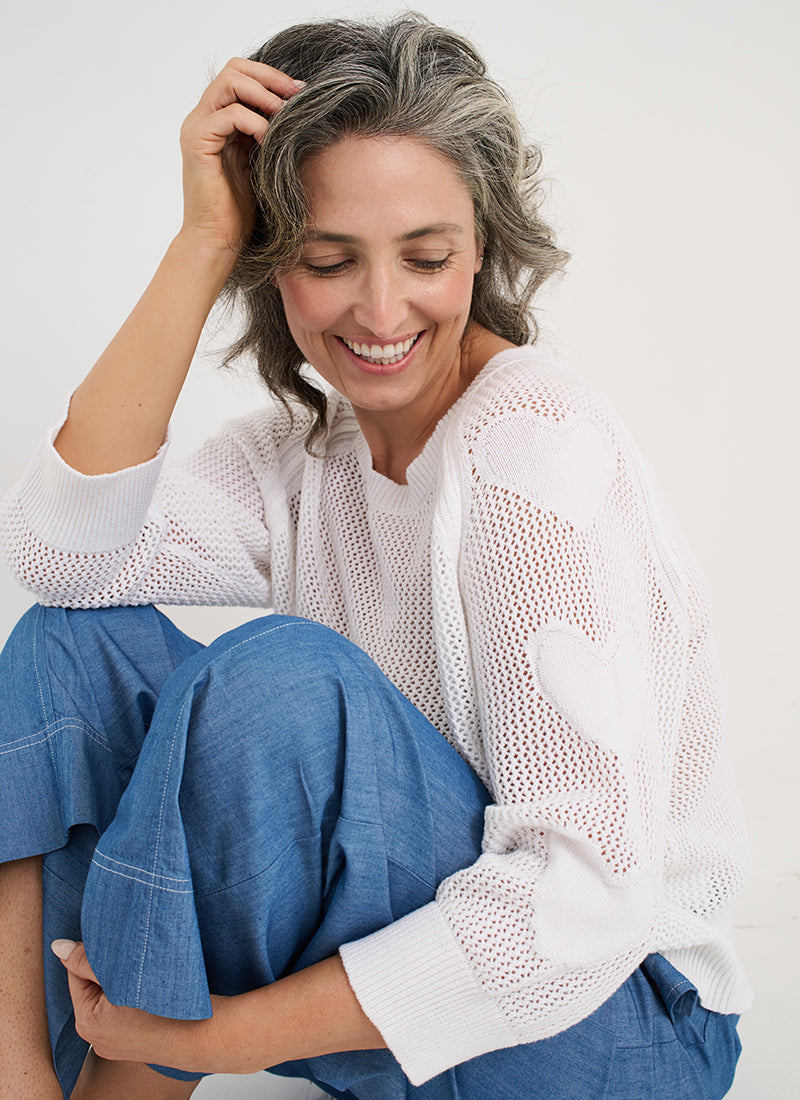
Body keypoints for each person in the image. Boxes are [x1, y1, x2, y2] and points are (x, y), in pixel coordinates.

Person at [0, 13, 751, 1100]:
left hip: (624, 1020)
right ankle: (22, 1075)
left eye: (427, 257)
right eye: (327, 259)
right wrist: (202, 238)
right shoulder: (308, 452)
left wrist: (215, 1036)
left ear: (482, 247)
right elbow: (61, 554)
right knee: (70, 647)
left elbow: (582, 902)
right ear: (274, 264)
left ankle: (126, 1078)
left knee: (277, 682)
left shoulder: (530, 450)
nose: (382, 309)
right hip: (435, 981)